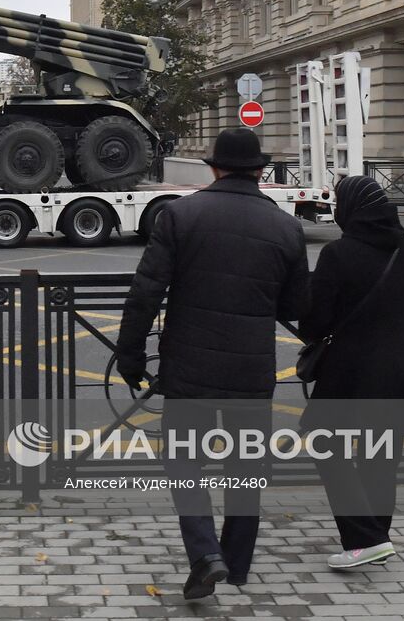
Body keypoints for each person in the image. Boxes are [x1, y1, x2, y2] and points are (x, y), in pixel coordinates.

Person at [117, 128, 309, 599]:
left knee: (185, 464)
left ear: (213, 167)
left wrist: (131, 354)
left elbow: (146, 291)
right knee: (245, 469)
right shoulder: (286, 227)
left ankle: (205, 554)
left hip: (189, 369)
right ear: (261, 170)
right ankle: (237, 565)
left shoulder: (180, 214)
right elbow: (295, 305)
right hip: (251, 369)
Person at [298, 173, 404, 571]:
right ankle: (376, 535)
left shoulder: (339, 255)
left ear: (350, 210)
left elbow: (314, 324)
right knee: (382, 462)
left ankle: (366, 539)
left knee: (328, 448)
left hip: (349, 375)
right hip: (401, 375)